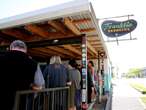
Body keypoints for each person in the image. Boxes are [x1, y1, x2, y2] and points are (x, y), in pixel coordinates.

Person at [0, 40, 44, 110]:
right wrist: (30, 85)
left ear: (11, 48)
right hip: (21, 102)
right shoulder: (33, 63)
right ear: (25, 49)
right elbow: (39, 85)